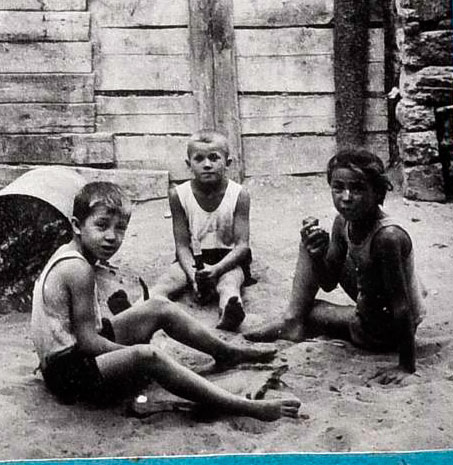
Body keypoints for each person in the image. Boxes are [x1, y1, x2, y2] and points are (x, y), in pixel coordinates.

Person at [31, 180, 301, 420]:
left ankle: (225, 353)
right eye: (101, 226)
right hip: (68, 376)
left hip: (72, 356)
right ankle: (244, 406)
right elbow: (89, 342)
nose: (112, 237)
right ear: (77, 226)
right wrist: (137, 356)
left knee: (157, 307)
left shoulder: (71, 254)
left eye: (120, 228)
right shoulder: (78, 269)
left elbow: (85, 333)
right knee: (148, 355)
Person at [245, 148, 426, 385]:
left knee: (310, 312)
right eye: (338, 187)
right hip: (372, 301)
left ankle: (293, 322)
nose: (347, 197)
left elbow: (402, 307)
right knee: (311, 241)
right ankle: (293, 320)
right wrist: (318, 254)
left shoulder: (388, 238)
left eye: (358, 188)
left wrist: (406, 366)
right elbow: (328, 283)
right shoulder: (344, 222)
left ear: (378, 192)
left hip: (385, 330)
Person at [150, 130, 252, 331]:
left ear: (228, 162)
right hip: (193, 259)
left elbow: (242, 246)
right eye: (199, 159)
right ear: (189, 164)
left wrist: (217, 270)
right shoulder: (178, 195)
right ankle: (141, 306)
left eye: (214, 158)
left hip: (228, 258)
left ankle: (229, 310)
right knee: (169, 279)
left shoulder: (239, 194)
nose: (207, 164)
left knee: (230, 283)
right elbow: (181, 245)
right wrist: (193, 275)